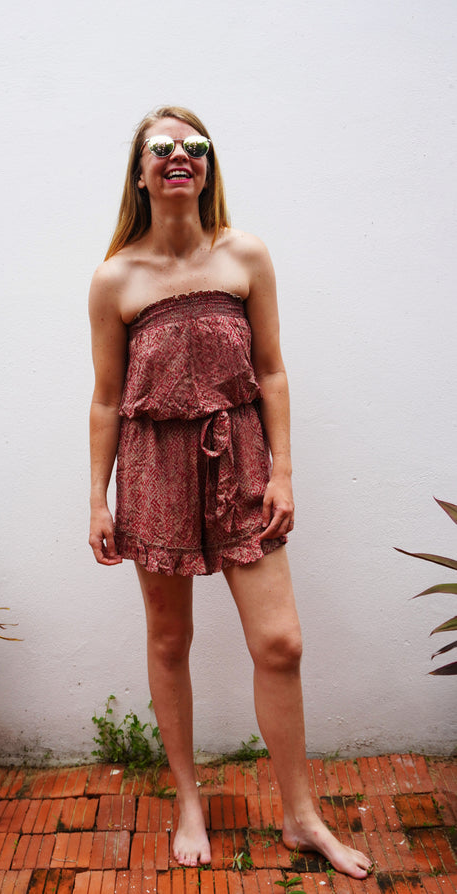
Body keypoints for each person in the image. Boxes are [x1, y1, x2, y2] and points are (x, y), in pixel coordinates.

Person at [88, 106, 372, 878]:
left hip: (240, 458)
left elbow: (272, 369)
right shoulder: (115, 277)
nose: (179, 156)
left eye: (194, 146)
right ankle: (186, 797)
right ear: (141, 172)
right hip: (152, 466)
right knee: (169, 640)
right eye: (162, 148)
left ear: (207, 166)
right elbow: (107, 398)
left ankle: (299, 816)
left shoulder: (244, 254)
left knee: (279, 642)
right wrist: (95, 498)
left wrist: (282, 469)